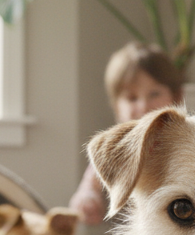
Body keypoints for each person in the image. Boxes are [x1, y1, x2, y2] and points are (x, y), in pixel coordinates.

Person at [70, 42, 185, 225]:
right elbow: (92, 179)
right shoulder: (119, 148)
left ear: (177, 97)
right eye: (132, 98)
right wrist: (87, 195)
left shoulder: (183, 140)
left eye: (154, 94)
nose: (143, 106)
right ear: (117, 106)